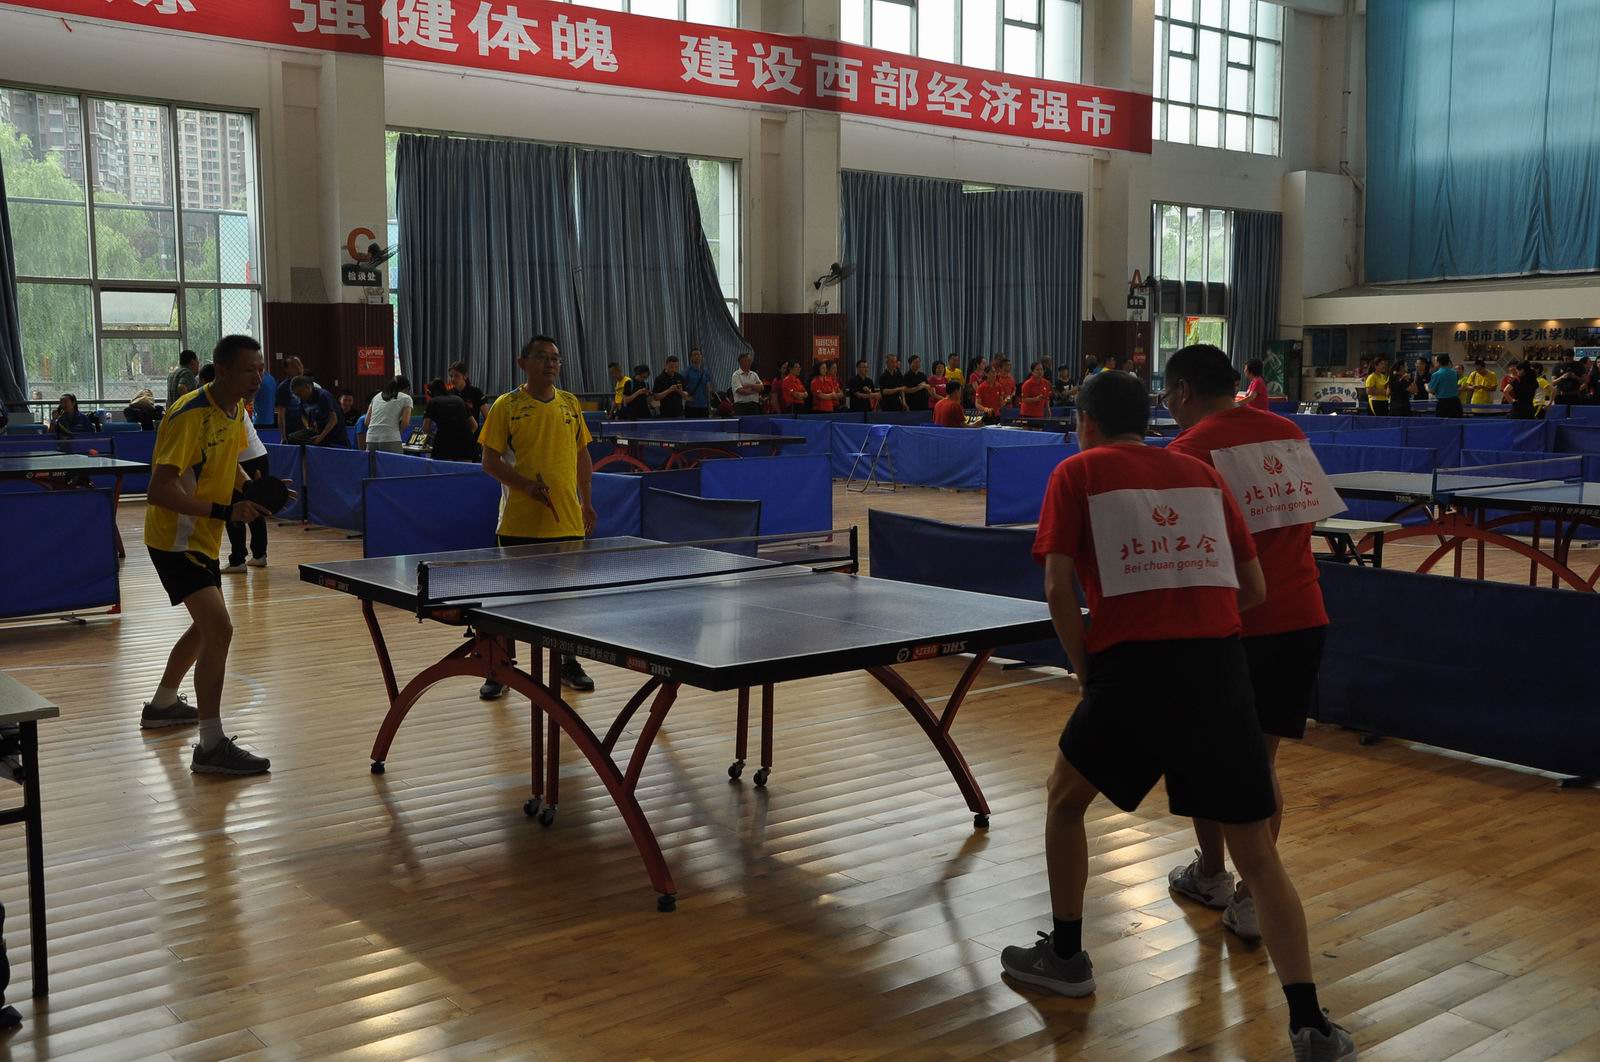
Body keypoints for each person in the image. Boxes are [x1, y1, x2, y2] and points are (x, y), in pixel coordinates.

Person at [1003, 369, 1354, 1061]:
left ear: (1086, 422)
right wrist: (1199, 620)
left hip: (1133, 669)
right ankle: (1310, 1024)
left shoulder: (1076, 472)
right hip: (1219, 666)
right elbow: (1253, 587)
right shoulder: (1200, 474)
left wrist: (1087, 669)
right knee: (1258, 855)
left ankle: (1067, 958)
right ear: (1149, 418)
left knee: (1065, 800)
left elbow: (1056, 585)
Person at [1160, 343, 1334, 952]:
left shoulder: (1187, 452)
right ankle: (1246, 894)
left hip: (1228, 627)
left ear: (1183, 391)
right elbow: (1306, 520)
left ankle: (1216, 877)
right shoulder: (1288, 432)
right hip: (1302, 617)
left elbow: (1183, 553)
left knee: (1204, 758)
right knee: (1259, 765)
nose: (1167, 405)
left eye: (1166, 393)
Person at [141, 334, 272, 775]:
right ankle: (211, 745)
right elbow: (159, 490)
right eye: (250, 369)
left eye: (261, 369)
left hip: (201, 539)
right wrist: (225, 511)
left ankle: (162, 705)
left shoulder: (235, 410)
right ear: (224, 371)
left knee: (204, 628)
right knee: (219, 629)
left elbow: (227, 463)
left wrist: (251, 491)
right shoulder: (189, 415)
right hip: (175, 540)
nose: (258, 377)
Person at [478, 334, 597, 695]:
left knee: (566, 599)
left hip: (567, 523)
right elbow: (489, 461)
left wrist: (587, 502)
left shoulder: (570, 404)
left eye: (555, 358)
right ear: (523, 363)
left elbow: (582, 455)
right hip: (519, 523)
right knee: (510, 601)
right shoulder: (506, 406)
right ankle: (500, 669)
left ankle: (568, 662)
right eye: (542, 357)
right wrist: (527, 486)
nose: (550, 363)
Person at [198, 363, 272, 575]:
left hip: (242, 460)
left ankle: (238, 559)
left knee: (235, 508)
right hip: (259, 454)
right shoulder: (232, 403)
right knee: (254, 507)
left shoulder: (222, 406)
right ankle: (259, 555)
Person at [422, 377, 479, 460]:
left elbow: (425, 428)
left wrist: (436, 437)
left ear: (429, 393)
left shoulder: (433, 402)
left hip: (444, 445)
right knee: (464, 467)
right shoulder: (459, 400)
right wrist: (464, 436)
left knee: (441, 467)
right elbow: (474, 425)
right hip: (466, 447)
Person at [364, 375, 413, 454]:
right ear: (407, 388)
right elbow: (405, 423)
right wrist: (397, 432)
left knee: (373, 462)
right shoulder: (406, 398)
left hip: (371, 438)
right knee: (394, 462)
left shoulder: (376, 397)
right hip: (390, 438)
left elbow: (366, 422)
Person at [291, 376, 345, 446]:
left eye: (300, 394)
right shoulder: (302, 399)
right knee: (292, 439)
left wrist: (321, 437)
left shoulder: (323, 396)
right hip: (319, 433)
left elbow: (333, 419)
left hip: (335, 436)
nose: (299, 397)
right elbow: (303, 415)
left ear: (308, 387)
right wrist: (308, 427)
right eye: (297, 395)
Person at [274, 356, 305, 437]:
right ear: (287, 370)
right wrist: (283, 435)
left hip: (307, 429)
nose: (298, 368)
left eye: (299, 364)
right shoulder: (284, 387)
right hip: (292, 432)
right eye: (294, 367)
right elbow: (281, 414)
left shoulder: (308, 384)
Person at [683, 348, 711, 417]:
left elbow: (708, 388)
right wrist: (685, 397)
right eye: (694, 355)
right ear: (691, 358)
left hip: (704, 405)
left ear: (701, 357)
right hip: (691, 406)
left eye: (698, 354)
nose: (697, 357)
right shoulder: (687, 371)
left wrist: (709, 402)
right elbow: (681, 386)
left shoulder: (705, 371)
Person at [253, 361, 278, 427]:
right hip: (271, 419)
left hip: (259, 420)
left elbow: (249, 400)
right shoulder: (272, 379)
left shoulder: (258, 381)